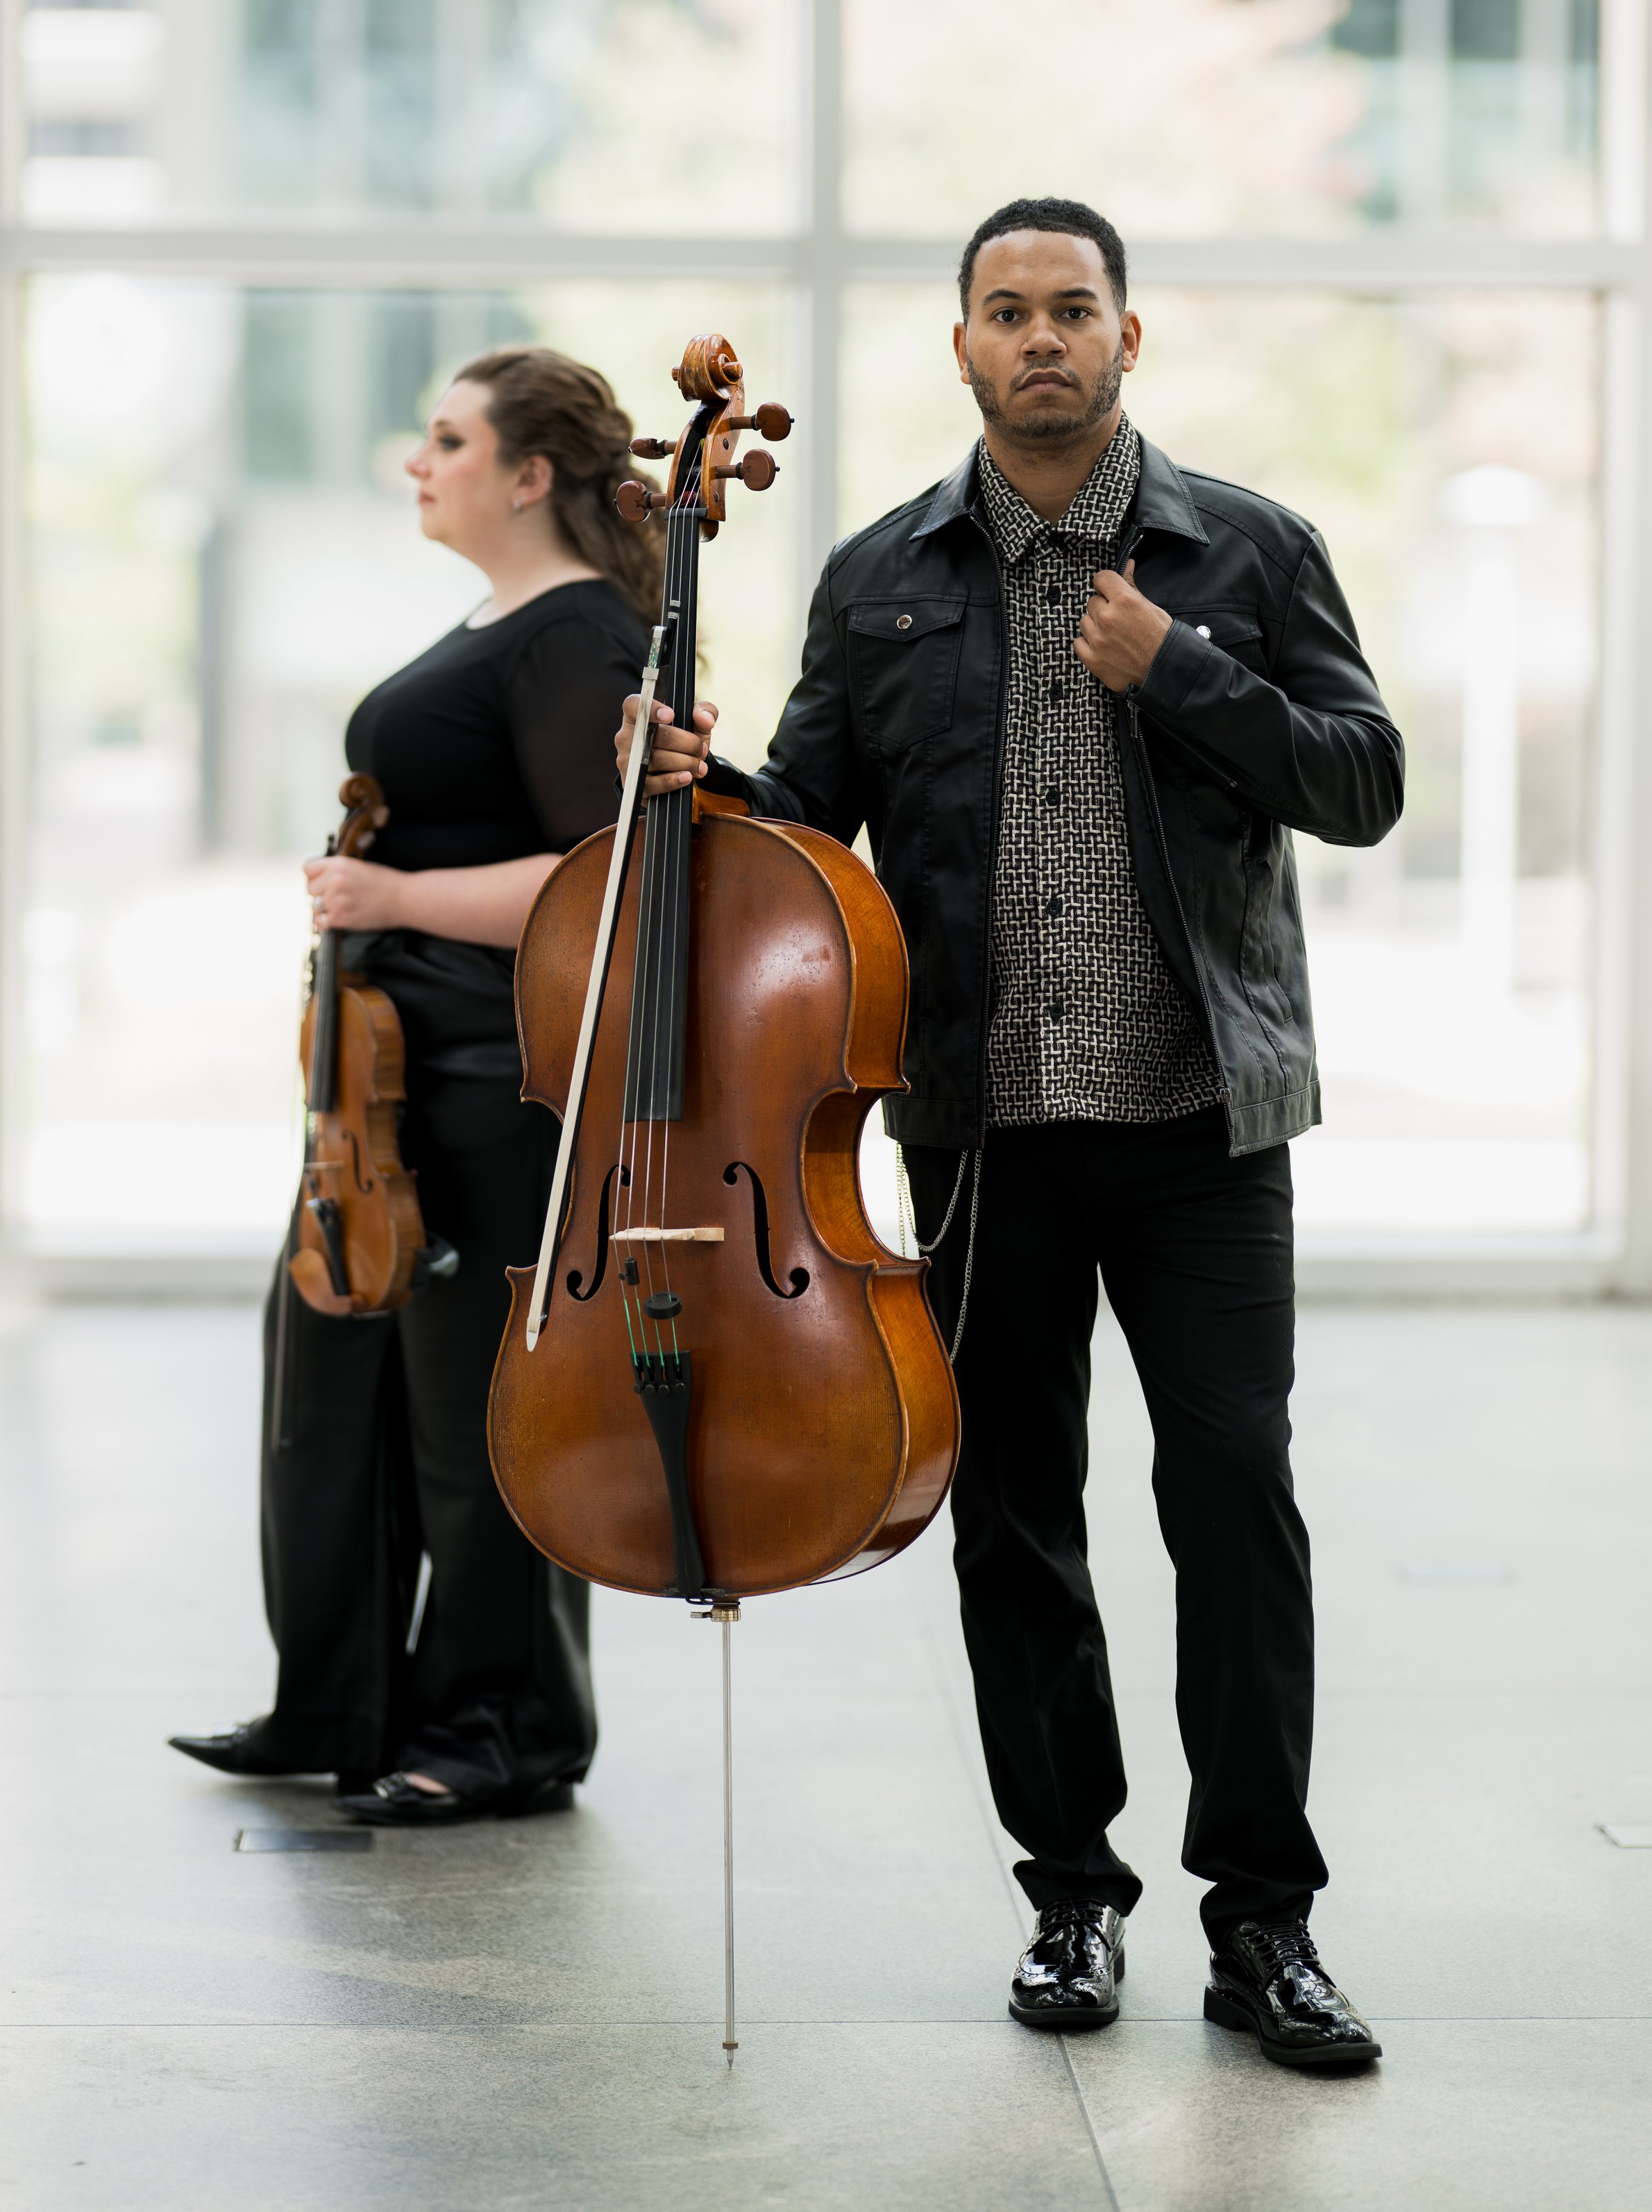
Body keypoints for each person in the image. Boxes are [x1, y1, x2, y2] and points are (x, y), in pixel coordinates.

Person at [616, 196, 1401, 2066]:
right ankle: (1070, 1892)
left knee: (1234, 1506)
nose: (1038, 334)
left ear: (1131, 337)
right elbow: (806, 829)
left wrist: (1183, 672)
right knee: (1011, 1520)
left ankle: (1262, 1920)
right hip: (977, 1133)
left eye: (1071, 307)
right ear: (958, 345)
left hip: (1205, 1123)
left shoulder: (1248, 551)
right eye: (1003, 309)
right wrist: (697, 778)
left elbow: (1361, 777)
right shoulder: (883, 577)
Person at [171, 344, 657, 1825]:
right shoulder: (503, 618)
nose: (415, 459)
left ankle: (504, 1726)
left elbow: (604, 885)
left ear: (528, 475)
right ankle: (339, 1700)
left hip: (494, 1078)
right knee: (335, 1388)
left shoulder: (576, 636)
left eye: (447, 439)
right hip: (394, 1085)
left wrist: (389, 896)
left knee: (475, 1414)